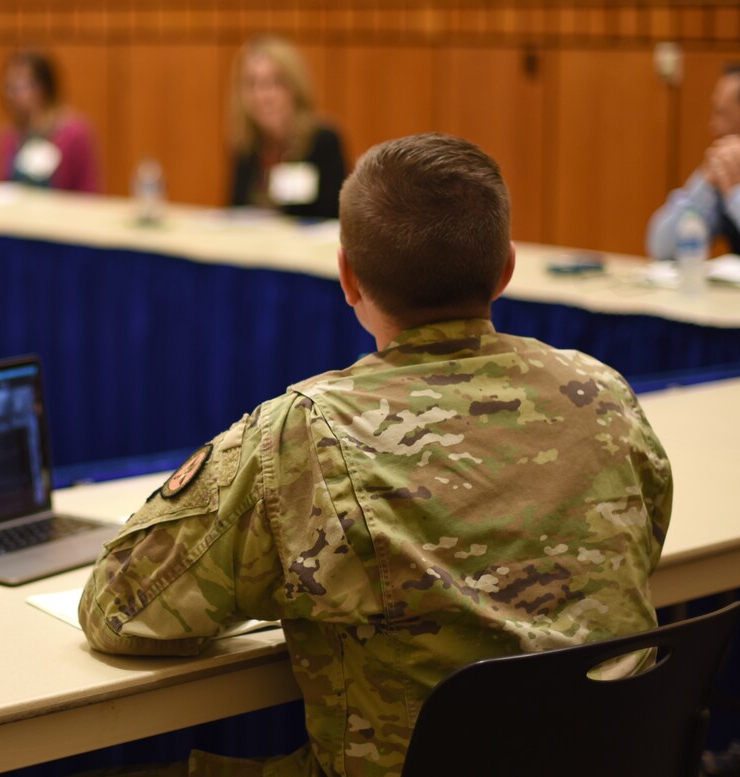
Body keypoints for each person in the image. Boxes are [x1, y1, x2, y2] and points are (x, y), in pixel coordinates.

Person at [80, 133, 673, 777]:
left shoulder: (308, 433)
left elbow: (120, 611)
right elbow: (648, 535)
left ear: (347, 277)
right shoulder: (602, 395)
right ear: (505, 269)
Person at [647, 62, 740, 274]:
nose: (713, 126)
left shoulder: (736, 182)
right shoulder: (729, 173)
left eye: (722, 114)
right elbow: (663, 250)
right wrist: (704, 182)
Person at [228, 35, 347, 220]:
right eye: (253, 84)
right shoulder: (247, 146)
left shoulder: (323, 141)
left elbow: (333, 219)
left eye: (275, 83)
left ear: (295, 87)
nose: (263, 96)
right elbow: (235, 213)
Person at [0, 50, 101, 194]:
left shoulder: (74, 134)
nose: (15, 95)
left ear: (45, 87)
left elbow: (89, 193)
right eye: (10, 87)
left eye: (23, 86)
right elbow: (0, 191)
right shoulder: (8, 137)